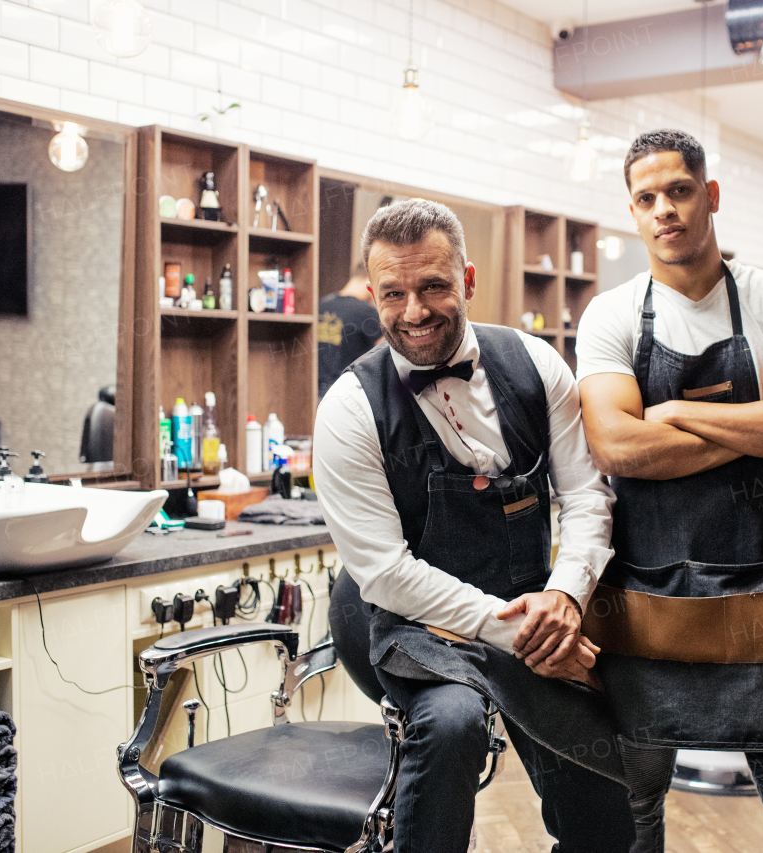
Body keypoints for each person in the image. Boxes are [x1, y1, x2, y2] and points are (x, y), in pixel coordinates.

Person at [576, 129, 763, 853]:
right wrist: (756, 425)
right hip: (644, 605)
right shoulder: (611, 315)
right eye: (645, 198)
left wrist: (676, 412)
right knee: (630, 817)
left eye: (678, 191)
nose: (663, 210)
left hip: (762, 598)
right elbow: (617, 446)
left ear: (709, 196)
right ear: (632, 212)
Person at [313, 199, 635, 853]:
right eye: (393, 293)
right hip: (420, 630)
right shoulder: (350, 407)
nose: (414, 311)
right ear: (372, 294)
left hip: (539, 613)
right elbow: (386, 573)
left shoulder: (536, 366)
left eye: (433, 285)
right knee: (453, 722)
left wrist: (568, 594)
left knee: (605, 785)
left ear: (469, 278)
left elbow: (587, 496)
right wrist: (520, 632)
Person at [317, 264, 381, 399]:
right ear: (370, 280)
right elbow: (385, 354)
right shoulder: (367, 312)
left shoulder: (322, 304)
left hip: (315, 390)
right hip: (347, 393)